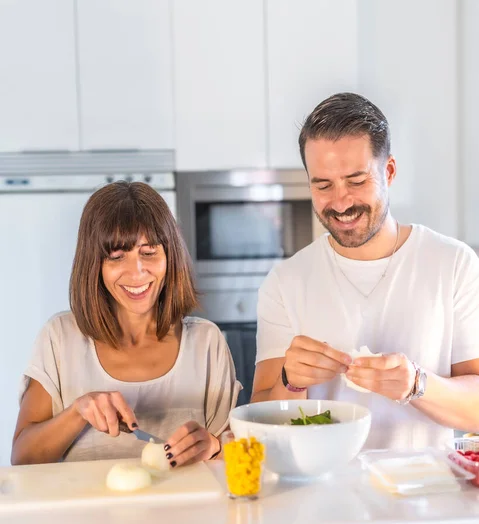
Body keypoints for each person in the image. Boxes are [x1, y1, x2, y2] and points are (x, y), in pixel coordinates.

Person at [252, 92, 479, 449]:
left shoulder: (453, 264)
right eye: (323, 185)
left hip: (425, 495)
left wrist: (416, 384)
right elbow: (258, 421)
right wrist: (290, 381)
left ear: (388, 171)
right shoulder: (286, 283)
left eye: (356, 181)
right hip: (317, 496)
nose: (340, 202)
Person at [11, 182, 241, 465]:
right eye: (117, 256)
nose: (137, 272)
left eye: (149, 253)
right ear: (94, 264)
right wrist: (77, 412)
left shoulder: (207, 342)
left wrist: (215, 446)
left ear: (170, 257)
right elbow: (23, 458)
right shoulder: (59, 338)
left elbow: (235, 456)